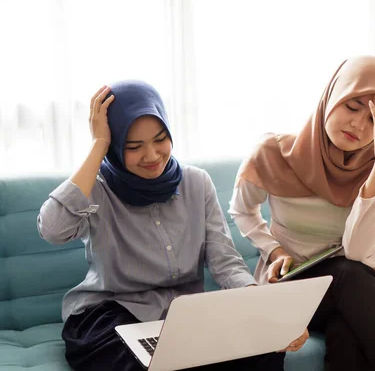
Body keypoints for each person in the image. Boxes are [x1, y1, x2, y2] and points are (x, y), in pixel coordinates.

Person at [37, 81, 306, 371]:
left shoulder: (197, 182)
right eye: (133, 146)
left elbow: (225, 262)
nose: (152, 155)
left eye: (160, 139)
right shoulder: (97, 189)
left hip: (184, 314)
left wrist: (262, 307)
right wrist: (98, 146)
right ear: (114, 146)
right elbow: (52, 229)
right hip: (110, 312)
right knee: (140, 364)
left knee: (265, 349)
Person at [229, 56, 375, 371]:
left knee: (347, 333)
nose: (359, 126)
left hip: (365, 283)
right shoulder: (274, 153)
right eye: (352, 106)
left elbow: (359, 250)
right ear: (332, 96)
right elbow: (242, 210)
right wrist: (273, 248)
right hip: (298, 284)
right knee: (348, 278)